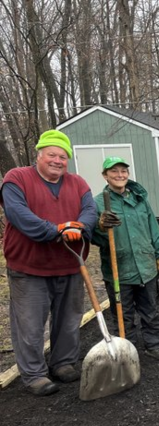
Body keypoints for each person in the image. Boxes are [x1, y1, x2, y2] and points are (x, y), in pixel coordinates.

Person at [0, 130, 97, 396]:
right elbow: (18, 215)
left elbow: (90, 211)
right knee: (30, 325)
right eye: (52, 154)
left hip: (70, 263)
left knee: (68, 320)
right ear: (39, 155)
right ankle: (34, 374)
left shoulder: (77, 183)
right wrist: (56, 230)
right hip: (29, 267)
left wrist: (80, 226)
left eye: (63, 156)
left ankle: (63, 363)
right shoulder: (17, 178)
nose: (58, 160)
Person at [92, 156, 159, 361]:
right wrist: (100, 227)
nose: (120, 175)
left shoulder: (139, 199)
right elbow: (92, 236)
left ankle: (154, 344)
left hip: (146, 266)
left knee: (150, 309)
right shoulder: (98, 203)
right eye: (114, 172)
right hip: (119, 269)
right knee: (122, 314)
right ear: (105, 176)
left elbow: (153, 230)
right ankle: (127, 351)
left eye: (123, 171)